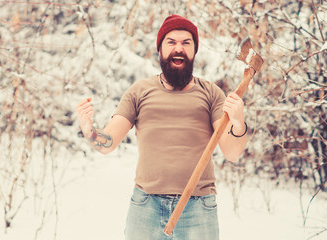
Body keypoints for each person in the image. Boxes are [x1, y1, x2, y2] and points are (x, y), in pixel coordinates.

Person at [76, 15, 247, 240]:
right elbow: (108, 143)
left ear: (195, 51)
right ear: (160, 49)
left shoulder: (211, 94)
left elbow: (233, 153)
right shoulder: (140, 91)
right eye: (171, 42)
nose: (179, 48)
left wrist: (237, 121)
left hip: (198, 207)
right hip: (146, 205)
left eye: (186, 43)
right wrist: (90, 130)